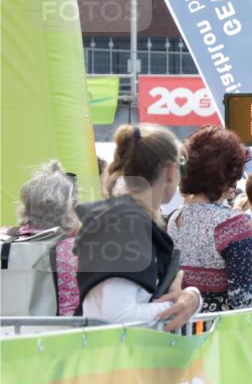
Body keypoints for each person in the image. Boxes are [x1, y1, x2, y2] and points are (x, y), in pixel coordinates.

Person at [75, 125, 201, 330]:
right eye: (182, 168)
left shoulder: (122, 220)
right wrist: (184, 303)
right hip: (118, 349)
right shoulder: (126, 225)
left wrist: (192, 297)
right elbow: (118, 316)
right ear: (170, 171)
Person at [167, 126, 252, 311]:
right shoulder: (233, 225)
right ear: (229, 172)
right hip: (222, 326)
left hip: (183, 322)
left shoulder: (174, 219)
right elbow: (243, 298)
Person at [14, 161, 80, 316]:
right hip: (63, 327)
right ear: (68, 208)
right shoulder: (76, 251)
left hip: (9, 327)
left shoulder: (6, 240)